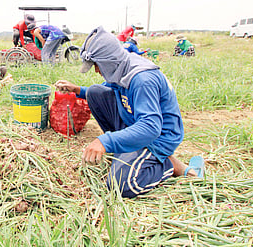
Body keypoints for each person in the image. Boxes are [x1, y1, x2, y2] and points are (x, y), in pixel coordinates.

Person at [55, 26, 204, 198]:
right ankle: (127, 150)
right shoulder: (123, 64)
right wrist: (77, 90)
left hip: (157, 137)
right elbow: (108, 89)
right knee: (95, 93)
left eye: (97, 65)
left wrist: (105, 141)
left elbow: (150, 128)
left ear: (109, 61)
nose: (97, 70)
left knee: (121, 185)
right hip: (136, 121)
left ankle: (168, 164)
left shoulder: (142, 80)